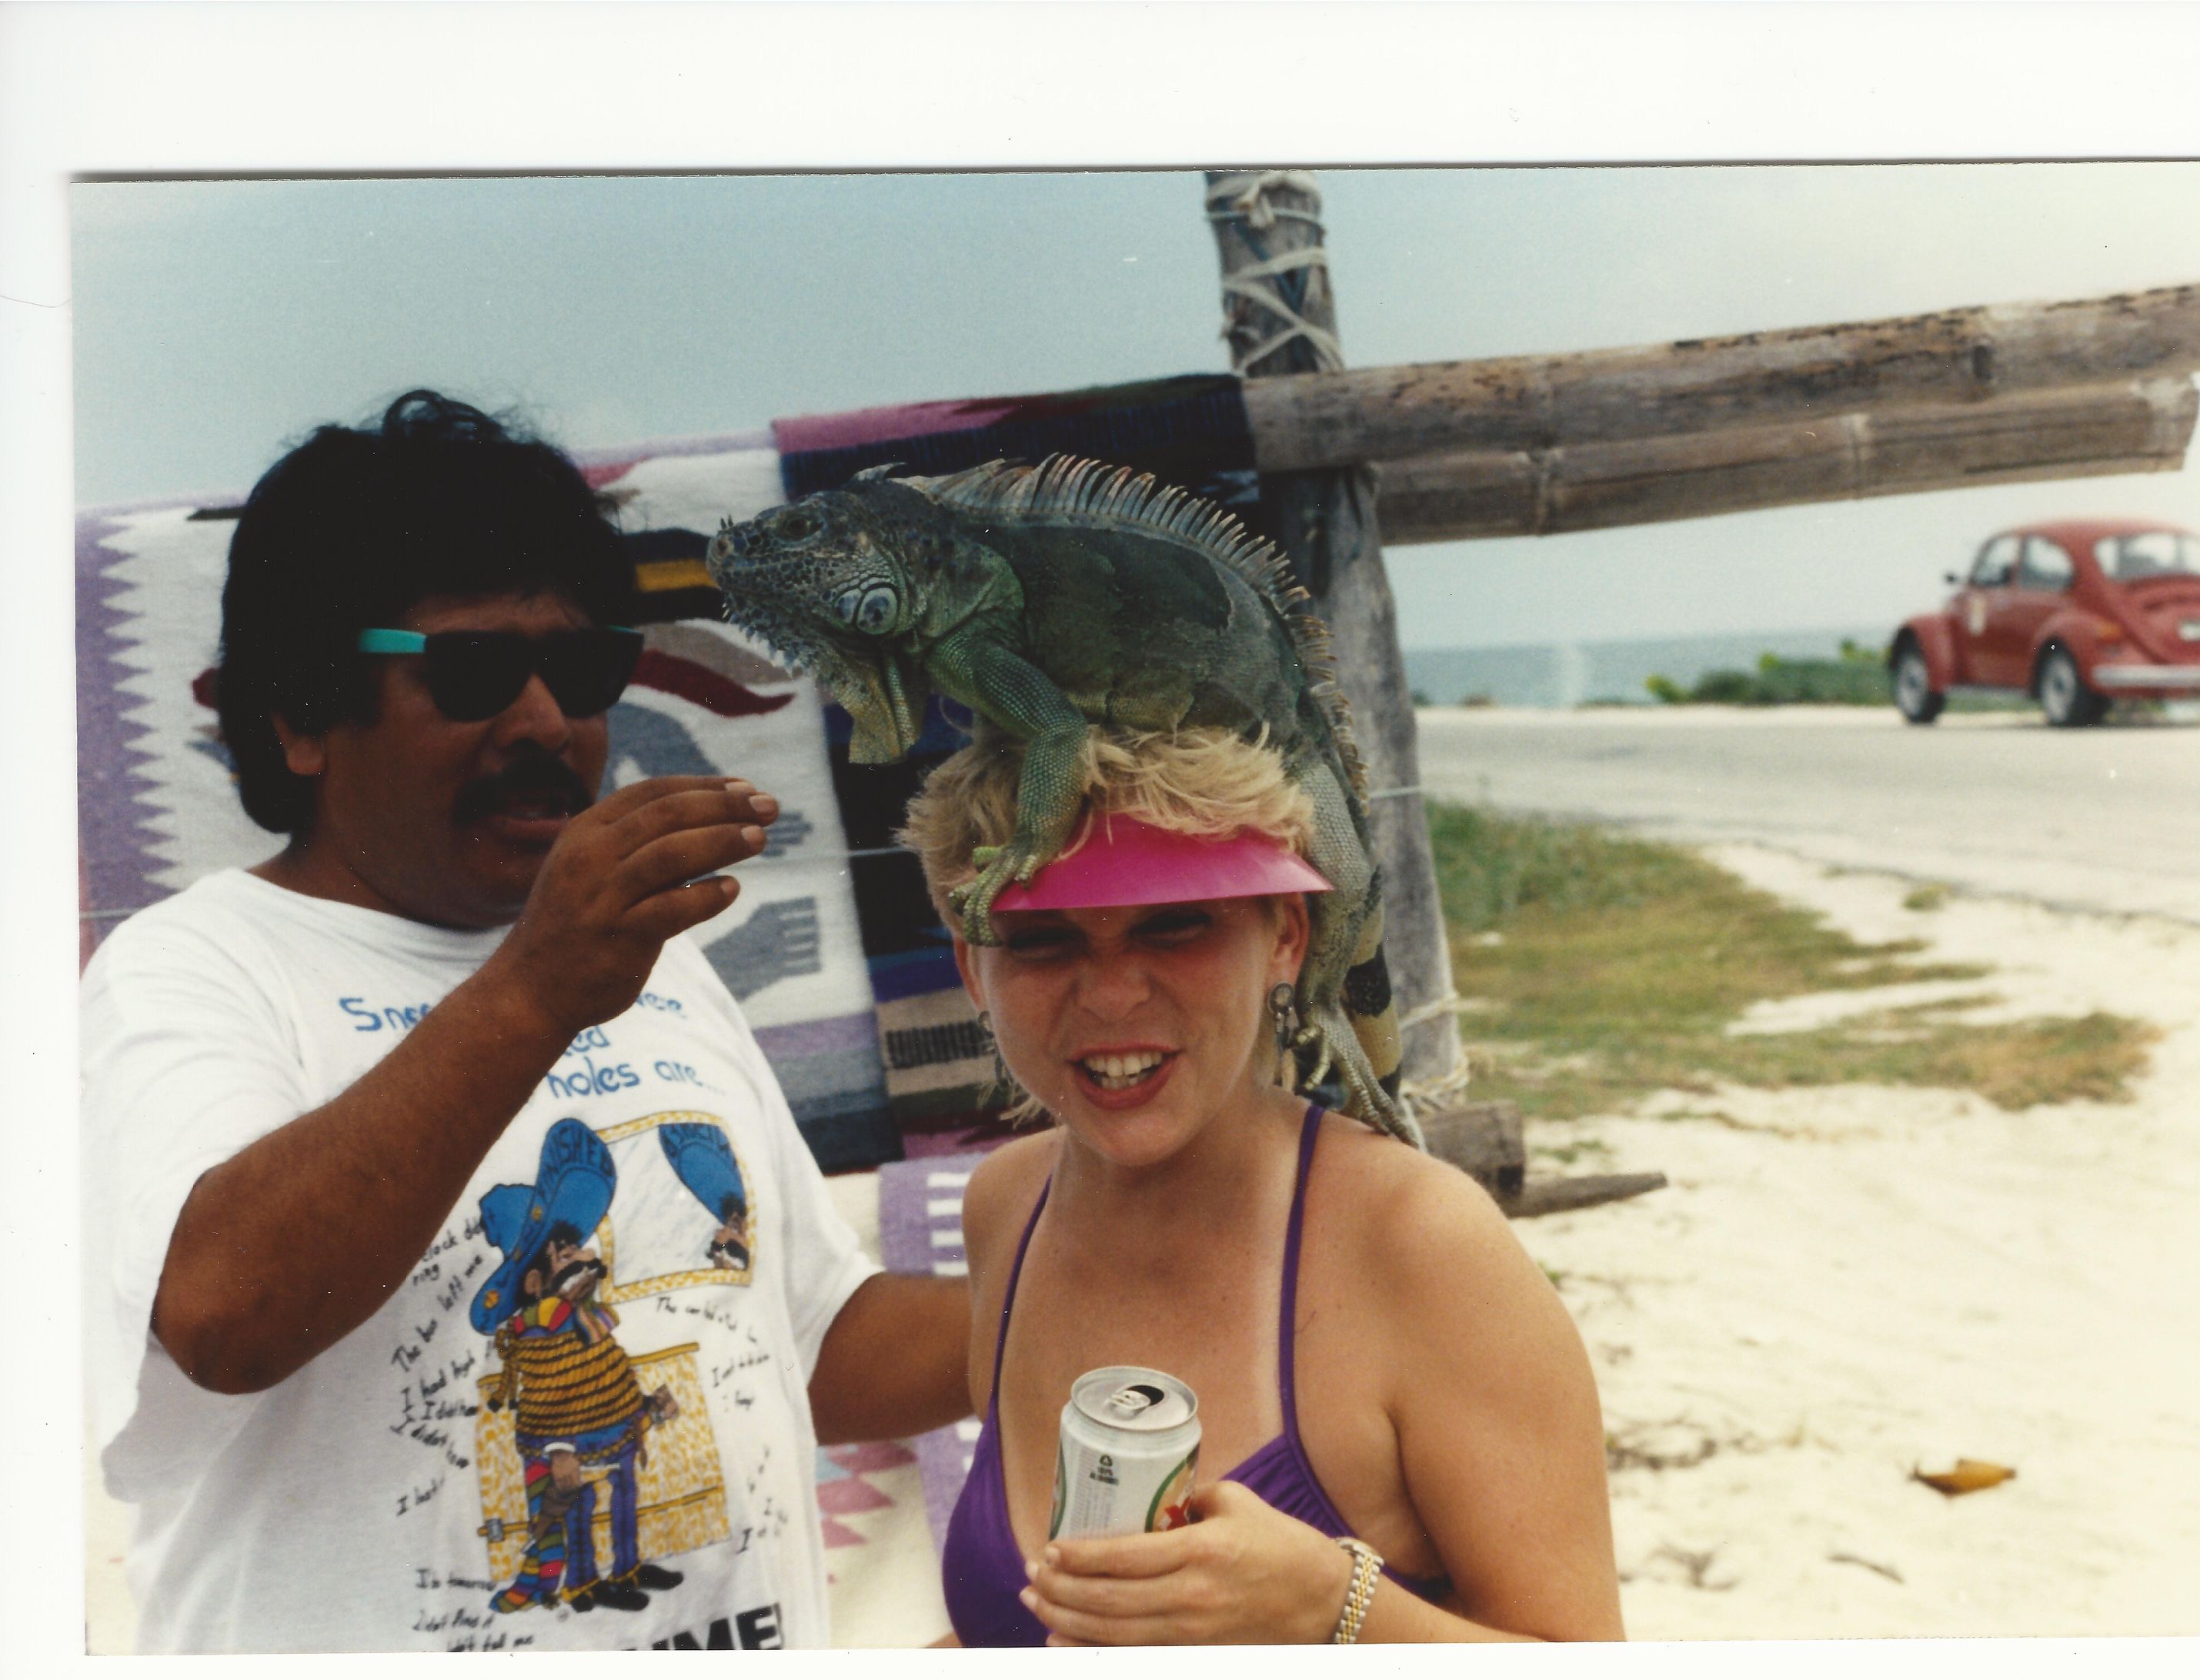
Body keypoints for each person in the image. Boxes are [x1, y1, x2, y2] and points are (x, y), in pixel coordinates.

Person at [80, 391, 972, 1654]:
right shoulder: (188, 968)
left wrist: (1083, 1302)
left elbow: (807, 1339)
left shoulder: (651, 964)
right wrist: (539, 987)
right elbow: (227, 1310)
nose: (550, 721)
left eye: (586, 665)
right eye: (474, 669)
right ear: (298, 714)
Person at [905, 726, 1626, 1645]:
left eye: (1175, 923)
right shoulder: (1007, 1206)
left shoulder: (1417, 1240)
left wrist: (1335, 1607)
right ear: (975, 970)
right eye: (1041, 941)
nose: (1114, 994)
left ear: (1284, 934)